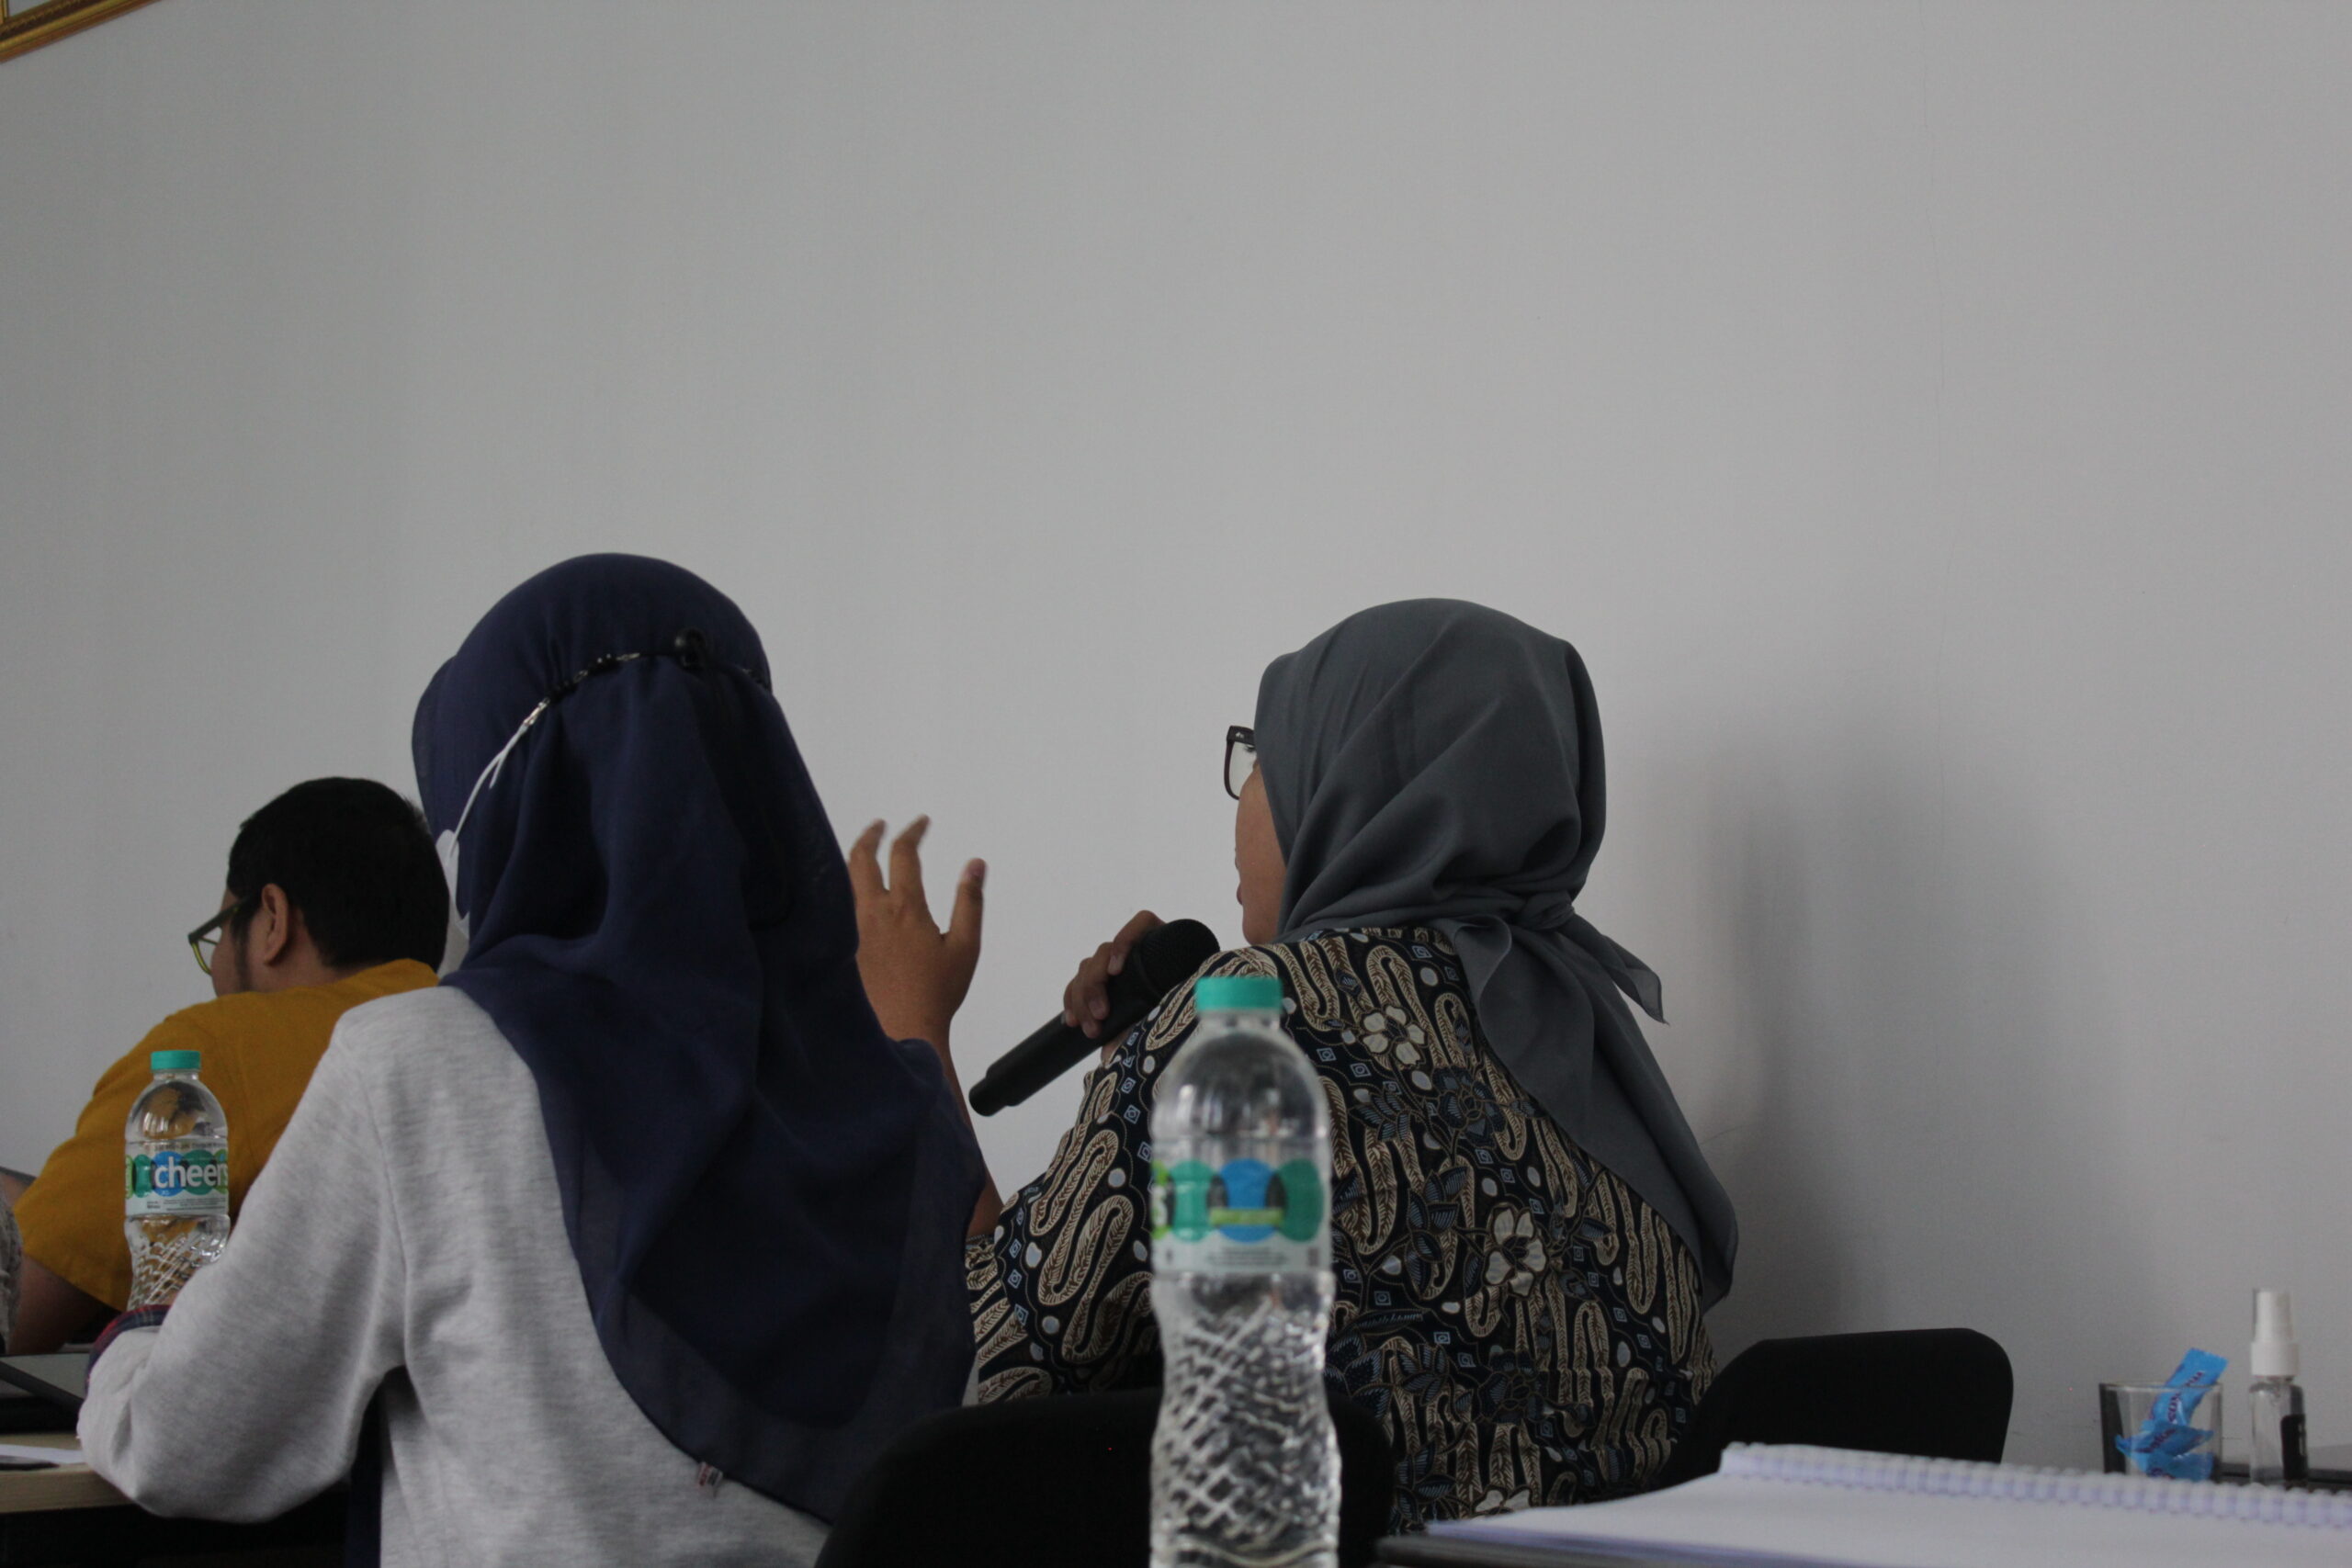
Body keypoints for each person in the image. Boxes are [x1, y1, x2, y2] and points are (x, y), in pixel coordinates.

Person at [77, 556, 985, 1568]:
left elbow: (187, 1444)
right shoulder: (903, 1107)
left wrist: (140, 1336)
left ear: (517, 813)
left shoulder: (423, 1065)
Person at [871, 599, 1737, 1530]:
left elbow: (976, 1365)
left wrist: (908, 1034)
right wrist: (1137, 1071)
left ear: (1345, 780)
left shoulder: (1248, 1025)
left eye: (1263, 754)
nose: (1246, 792)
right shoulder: (1590, 1038)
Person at [4, 778, 447, 1354]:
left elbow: (16, 1319)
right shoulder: (477, 1042)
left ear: (273, 919)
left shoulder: (218, 1053)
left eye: (217, 934)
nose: (214, 970)